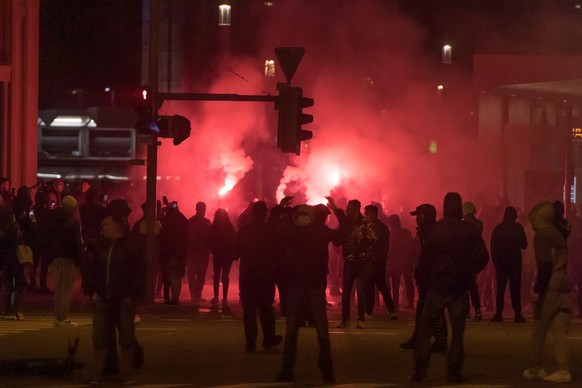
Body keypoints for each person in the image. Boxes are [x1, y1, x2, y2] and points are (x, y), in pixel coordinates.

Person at [412, 193, 488, 383]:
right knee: (457, 333)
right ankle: (453, 372)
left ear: (444, 207)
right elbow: (482, 257)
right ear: (460, 207)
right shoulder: (469, 230)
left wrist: (423, 279)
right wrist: (469, 272)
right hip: (459, 286)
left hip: (437, 285)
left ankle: (420, 370)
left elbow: (425, 260)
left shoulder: (436, 230)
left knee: (425, 329)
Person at [276, 204, 339, 383]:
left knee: (321, 333)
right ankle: (287, 371)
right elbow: (275, 232)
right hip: (297, 288)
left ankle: (327, 372)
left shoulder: (320, 232)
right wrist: (280, 209)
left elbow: (341, 236)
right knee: (292, 334)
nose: (303, 218)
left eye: (306, 215)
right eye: (300, 215)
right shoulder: (293, 233)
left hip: (313, 288)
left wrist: (337, 210)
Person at [84, 212, 145, 385]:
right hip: (104, 298)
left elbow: (139, 273)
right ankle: (99, 374)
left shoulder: (130, 247)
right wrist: (92, 291)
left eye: (106, 225)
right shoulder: (101, 247)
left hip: (123, 299)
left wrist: (131, 296)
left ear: (118, 226)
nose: (103, 229)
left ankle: (128, 375)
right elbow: (93, 270)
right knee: (100, 338)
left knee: (126, 338)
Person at [523, 202, 573, 383]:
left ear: (539, 218)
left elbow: (544, 266)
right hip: (563, 283)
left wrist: (537, 290)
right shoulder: (559, 235)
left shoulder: (542, 236)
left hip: (550, 285)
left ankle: (536, 367)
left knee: (539, 327)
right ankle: (563, 369)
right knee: (560, 331)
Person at [400, 204, 448, 353]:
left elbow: (429, 256)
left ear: (424, 216)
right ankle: (420, 338)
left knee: (434, 309)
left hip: (432, 276)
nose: (416, 219)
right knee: (424, 309)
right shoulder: (427, 231)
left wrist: (422, 272)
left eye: (419, 215)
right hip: (429, 275)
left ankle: (440, 341)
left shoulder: (431, 232)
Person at [237, 201, 282, 352]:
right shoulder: (270, 231)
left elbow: (236, 252)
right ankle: (268, 338)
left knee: (249, 310)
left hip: (248, 275)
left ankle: (251, 342)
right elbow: (277, 251)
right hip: (265, 275)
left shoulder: (244, 231)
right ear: (264, 214)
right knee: (265, 308)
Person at [334, 199, 375, 329]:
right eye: (346, 208)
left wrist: (361, 237)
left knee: (361, 289)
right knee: (346, 291)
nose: (347, 210)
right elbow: (337, 241)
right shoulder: (345, 223)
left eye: (349, 208)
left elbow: (374, 240)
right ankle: (345, 320)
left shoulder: (365, 223)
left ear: (356, 209)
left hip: (363, 262)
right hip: (349, 261)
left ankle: (360, 319)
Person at [49, 195, 83, 327]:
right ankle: (63, 317)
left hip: (56, 257)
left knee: (58, 288)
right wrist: (80, 261)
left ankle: (58, 317)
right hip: (69, 258)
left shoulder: (53, 219)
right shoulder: (73, 222)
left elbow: (48, 238)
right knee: (67, 289)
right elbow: (77, 243)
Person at [490, 206, 528, 323]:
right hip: (515, 262)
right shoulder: (518, 228)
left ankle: (499, 313)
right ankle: (517, 313)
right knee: (515, 288)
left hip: (501, 263)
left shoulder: (498, 228)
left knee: (500, 288)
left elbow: (493, 246)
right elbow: (524, 245)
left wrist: (495, 261)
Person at [364, 205, 396, 319]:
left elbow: (383, 247)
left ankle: (372, 311)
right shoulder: (370, 227)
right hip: (372, 262)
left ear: (373, 214)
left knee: (379, 286)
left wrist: (378, 260)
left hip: (377, 263)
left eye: (367, 213)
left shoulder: (381, 228)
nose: (365, 216)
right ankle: (388, 310)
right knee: (376, 287)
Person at [159, 202, 188, 305]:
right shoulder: (182, 222)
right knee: (178, 277)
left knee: (172, 276)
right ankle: (176, 298)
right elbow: (185, 222)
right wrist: (177, 211)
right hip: (180, 252)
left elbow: (162, 235)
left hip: (171, 252)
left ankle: (174, 299)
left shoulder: (168, 225)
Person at [208, 208, 237, 308]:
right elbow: (234, 240)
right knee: (225, 275)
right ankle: (224, 297)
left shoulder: (214, 227)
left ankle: (216, 296)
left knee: (216, 275)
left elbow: (210, 238)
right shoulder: (230, 227)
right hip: (227, 255)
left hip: (218, 254)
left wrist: (212, 250)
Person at [386, 213, 415, 313]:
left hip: (397, 262)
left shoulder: (391, 234)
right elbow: (411, 247)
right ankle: (408, 302)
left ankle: (395, 302)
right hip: (404, 262)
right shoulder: (405, 233)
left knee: (397, 282)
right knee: (406, 282)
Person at [0, 209, 26, 320]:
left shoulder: (3, 233)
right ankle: (15, 310)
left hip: (6, 262)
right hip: (17, 261)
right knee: (19, 286)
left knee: (8, 287)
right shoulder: (16, 230)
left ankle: (8, 311)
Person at [462, 202, 485, 321]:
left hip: (464, 257)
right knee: (473, 284)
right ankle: (477, 310)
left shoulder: (461, 224)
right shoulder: (479, 224)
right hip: (475, 257)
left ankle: (466, 312)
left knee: (465, 285)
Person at [186, 202, 211, 305]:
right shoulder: (207, 222)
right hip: (202, 251)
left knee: (193, 274)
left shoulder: (190, 221)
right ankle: (196, 294)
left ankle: (194, 294)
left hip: (194, 251)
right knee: (199, 274)